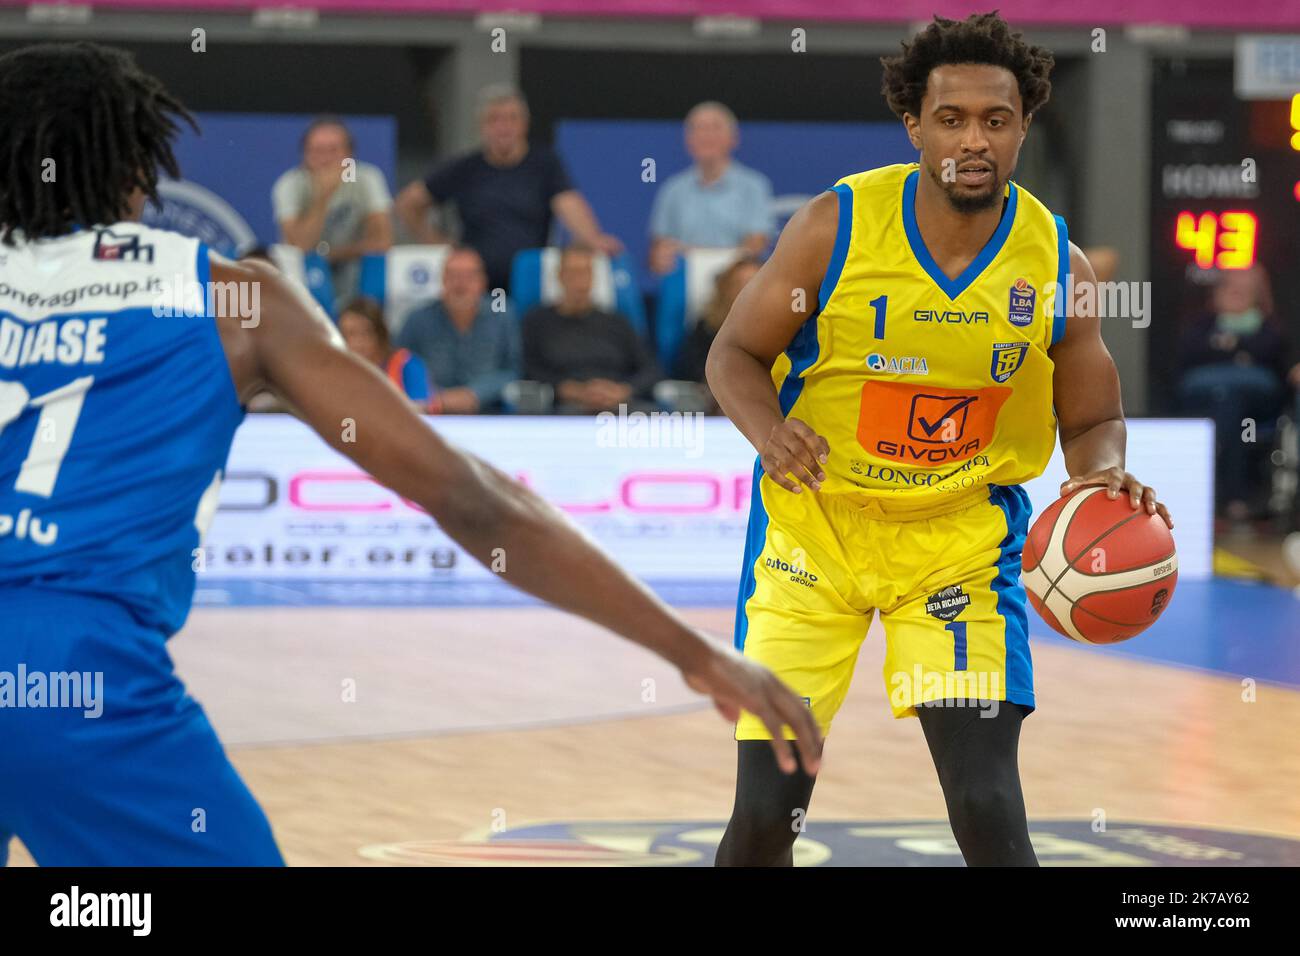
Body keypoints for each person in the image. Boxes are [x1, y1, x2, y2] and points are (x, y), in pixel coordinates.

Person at [0, 41, 822, 867]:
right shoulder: (231, 297)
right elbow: (472, 500)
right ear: (136, 170)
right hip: (75, 670)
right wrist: (695, 651)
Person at [704, 12, 1172, 868]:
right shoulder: (833, 228)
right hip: (813, 537)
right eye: (950, 118)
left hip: (956, 545)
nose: (973, 139)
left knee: (989, 806)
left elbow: (1092, 418)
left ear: (1024, 125)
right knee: (770, 815)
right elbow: (734, 353)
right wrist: (770, 433)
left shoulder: (1055, 264)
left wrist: (1103, 479)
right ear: (913, 124)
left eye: (996, 119)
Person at [394, 85, 621, 295]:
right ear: (481, 126)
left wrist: (593, 239)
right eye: (494, 120)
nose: (503, 127)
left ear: (525, 124)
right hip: (476, 285)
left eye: (512, 119)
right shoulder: (465, 168)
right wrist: (436, 244)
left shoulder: (545, 164)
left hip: (529, 282)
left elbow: (568, 203)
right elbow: (408, 203)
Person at [1176, 264, 1288, 521]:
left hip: (1257, 411)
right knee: (1226, 401)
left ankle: (1226, 495)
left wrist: (1225, 346)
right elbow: (1189, 356)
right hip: (1204, 403)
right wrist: (1239, 354)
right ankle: (1234, 499)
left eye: (1244, 290)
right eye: (1230, 289)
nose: (1235, 294)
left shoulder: (1270, 327)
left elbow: (1272, 357)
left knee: (1231, 404)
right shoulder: (1200, 325)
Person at [272, 116, 393, 310]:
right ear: (304, 155)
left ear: (350, 155)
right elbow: (300, 247)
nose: (325, 159)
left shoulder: (366, 177)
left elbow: (382, 241)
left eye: (334, 150)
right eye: (317, 151)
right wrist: (323, 197)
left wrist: (330, 254)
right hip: (306, 274)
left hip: (356, 269)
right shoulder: (290, 183)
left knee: (373, 270)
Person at [522, 245, 660, 414]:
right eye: (573, 273)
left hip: (619, 405)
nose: (580, 281)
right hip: (563, 408)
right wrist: (565, 389)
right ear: (559, 276)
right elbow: (528, 368)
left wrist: (623, 390)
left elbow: (650, 369)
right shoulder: (538, 321)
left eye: (585, 272)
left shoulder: (617, 322)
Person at [648, 102, 775, 276]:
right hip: (685, 276)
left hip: (732, 277)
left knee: (746, 274)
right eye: (699, 129)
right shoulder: (672, 189)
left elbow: (756, 245)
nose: (707, 136)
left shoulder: (754, 186)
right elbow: (658, 250)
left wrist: (706, 259)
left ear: (734, 138)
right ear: (688, 140)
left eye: (715, 128)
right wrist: (661, 256)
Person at [394, 247, 520, 414]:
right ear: (442, 281)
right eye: (453, 276)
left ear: (483, 282)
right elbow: (398, 366)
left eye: (469, 277)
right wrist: (436, 396)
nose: (461, 284)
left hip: (489, 415)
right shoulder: (417, 320)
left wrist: (475, 394)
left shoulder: (502, 316)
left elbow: (514, 370)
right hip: (430, 415)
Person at [673, 255, 762, 410]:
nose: (747, 289)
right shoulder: (707, 326)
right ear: (727, 288)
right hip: (715, 395)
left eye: (754, 282)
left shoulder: (779, 326)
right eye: (740, 283)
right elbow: (692, 366)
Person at [337, 297, 436, 413]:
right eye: (349, 335)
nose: (357, 343)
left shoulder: (406, 364)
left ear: (379, 334)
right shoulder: (336, 371)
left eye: (365, 333)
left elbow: (421, 407)